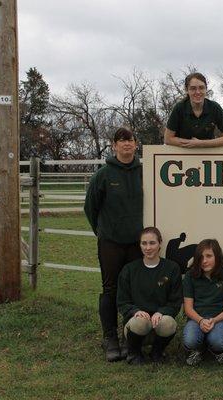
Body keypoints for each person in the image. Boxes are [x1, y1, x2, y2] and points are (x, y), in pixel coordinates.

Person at [84, 127, 143, 362]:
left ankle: (131, 335)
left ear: (136, 144)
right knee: (110, 289)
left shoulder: (144, 172)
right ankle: (110, 337)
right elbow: (91, 208)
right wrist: (102, 232)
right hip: (111, 242)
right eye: (121, 141)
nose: (126, 144)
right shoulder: (103, 175)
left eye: (130, 140)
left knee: (134, 290)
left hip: (138, 243)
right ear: (114, 146)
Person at [117, 227, 182, 365]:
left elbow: (175, 301)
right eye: (144, 243)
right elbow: (122, 302)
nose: (148, 247)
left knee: (169, 323)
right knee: (140, 321)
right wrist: (136, 311)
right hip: (137, 326)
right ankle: (134, 352)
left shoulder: (172, 268)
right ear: (140, 245)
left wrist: (162, 312)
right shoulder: (129, 270)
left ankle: (157, 352)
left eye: (152, 243)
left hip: (158, 325)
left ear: (160, 243)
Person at [182, 239, 223, 365]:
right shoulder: (190, 276)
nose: (204, 261)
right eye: (200, 257)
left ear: (217, 256)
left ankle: (217, 351)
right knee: (190, 340)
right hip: (196, 318)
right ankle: (198, 350)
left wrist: (214, 320)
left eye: (209, 256)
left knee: (218, 341)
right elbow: (188, 308)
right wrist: (201, 321)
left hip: (220, 319)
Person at [164, 72, 223, 148]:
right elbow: (168, 139)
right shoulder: (179, 108)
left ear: (206, 89)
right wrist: (190, 143)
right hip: (182, 154)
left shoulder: (214, 107)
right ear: (187, 90)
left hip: (208, 154)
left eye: (201, 88)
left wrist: (200, 143)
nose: (198, 92)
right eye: (193, 88)